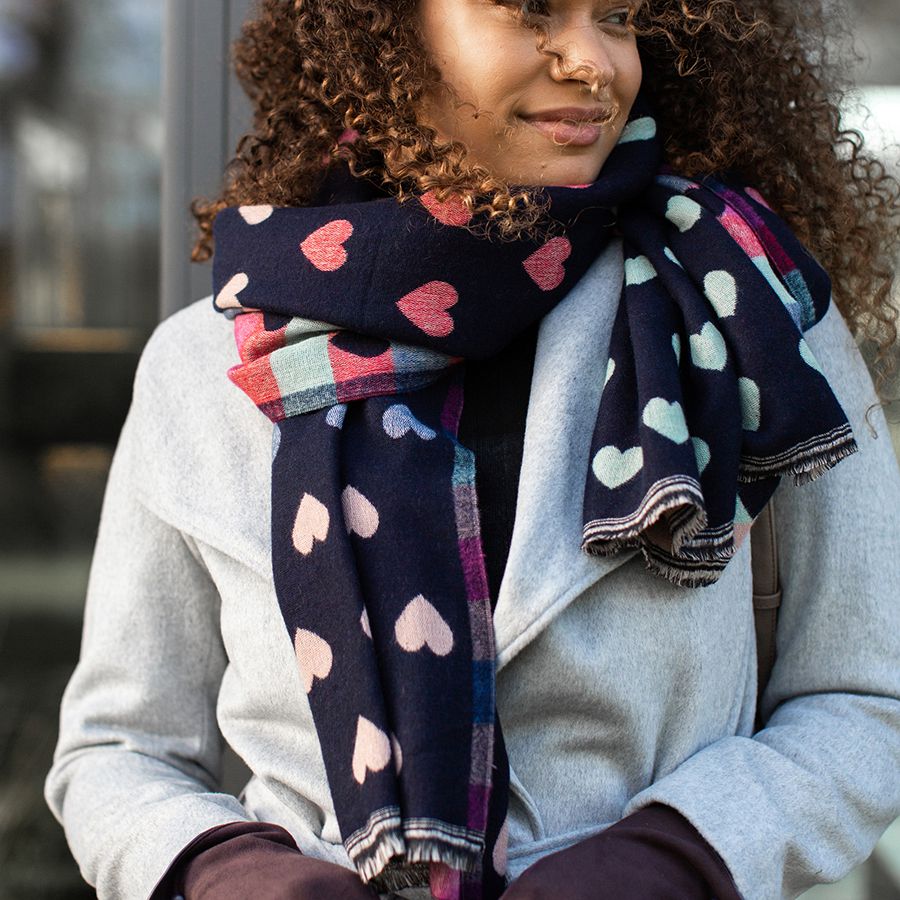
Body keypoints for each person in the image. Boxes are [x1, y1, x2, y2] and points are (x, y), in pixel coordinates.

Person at [46, 1, 900, 898]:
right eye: (531, 11)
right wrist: (231, 874)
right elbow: (116, 749)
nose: (592, 62)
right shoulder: (201, 368)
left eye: (616, 16)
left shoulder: (744, 314)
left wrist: (679, 858)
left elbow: (866, 700)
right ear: (384, 36)